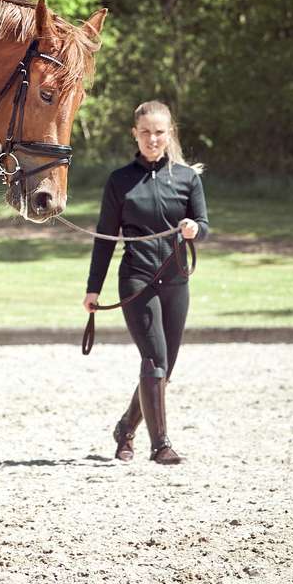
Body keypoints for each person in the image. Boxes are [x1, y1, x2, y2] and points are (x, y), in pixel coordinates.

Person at [83, 101, 208, 464]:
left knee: (164, 368)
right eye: (146, 133)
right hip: (137, 279)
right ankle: (161, 446)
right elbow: (105, 237)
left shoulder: (187, 178)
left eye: (159, 132)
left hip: (176, 280)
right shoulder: (119, 181)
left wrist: (194, 229)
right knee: (153, 360)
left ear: (169, 135)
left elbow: (204, 224)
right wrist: (94, 288)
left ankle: (125, 429)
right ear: (134, 135)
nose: (152, 139)